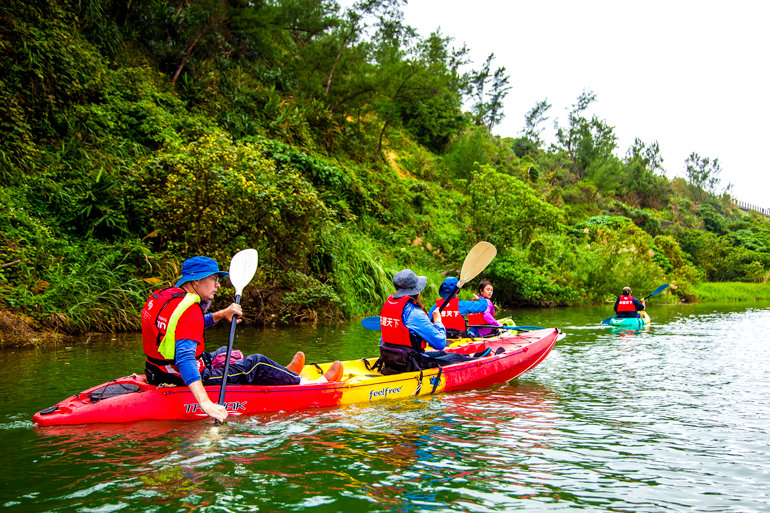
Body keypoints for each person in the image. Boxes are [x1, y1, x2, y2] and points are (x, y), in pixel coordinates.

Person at [142, 255, 343, 422]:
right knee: (256, 363)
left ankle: (283, 375)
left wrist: (220, 315)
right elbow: (185, 358)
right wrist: (206, 404)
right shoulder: (190, 311)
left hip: (156, 371)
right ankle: (314, 384)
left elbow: (179, 329)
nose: (218, 285)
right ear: (196, 281)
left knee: (224, 352)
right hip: (181, 378)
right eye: (213, 279)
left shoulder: (165, 297)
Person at [376, 269, 491, 375]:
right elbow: (440, 343)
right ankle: (475, 359)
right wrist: (438, 321)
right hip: (409, 364)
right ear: (417, 291)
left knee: (442, 355)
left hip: (392, 359)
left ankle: (471, 355)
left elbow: (383, 340)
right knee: (454, 358)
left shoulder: (390, 307)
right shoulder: (416, 313)